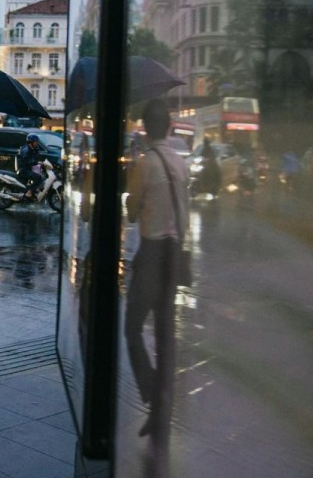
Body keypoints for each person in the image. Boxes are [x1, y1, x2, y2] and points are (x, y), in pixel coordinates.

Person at [124, 98, 189, 443]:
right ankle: (162, 407)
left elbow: (132, 212)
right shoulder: (180, 163)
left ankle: (150, 390)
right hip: (174, 253)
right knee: (165, 333)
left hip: (151, 253)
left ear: (145, 129)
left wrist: (129, 200)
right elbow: (185, 214)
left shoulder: (145, 163)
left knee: (132, 327)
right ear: (170, 127)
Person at [16, 133, 43, 199]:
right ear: (31, 142)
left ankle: (32, 192)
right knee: (38, 177)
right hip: (23, 170)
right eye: (35, 142)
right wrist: (37, 162)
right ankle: (29, 192)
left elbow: (35, 156)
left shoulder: (32, 148)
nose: (37, 143)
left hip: (28, 168)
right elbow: (28, 160)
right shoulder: (26, 150)